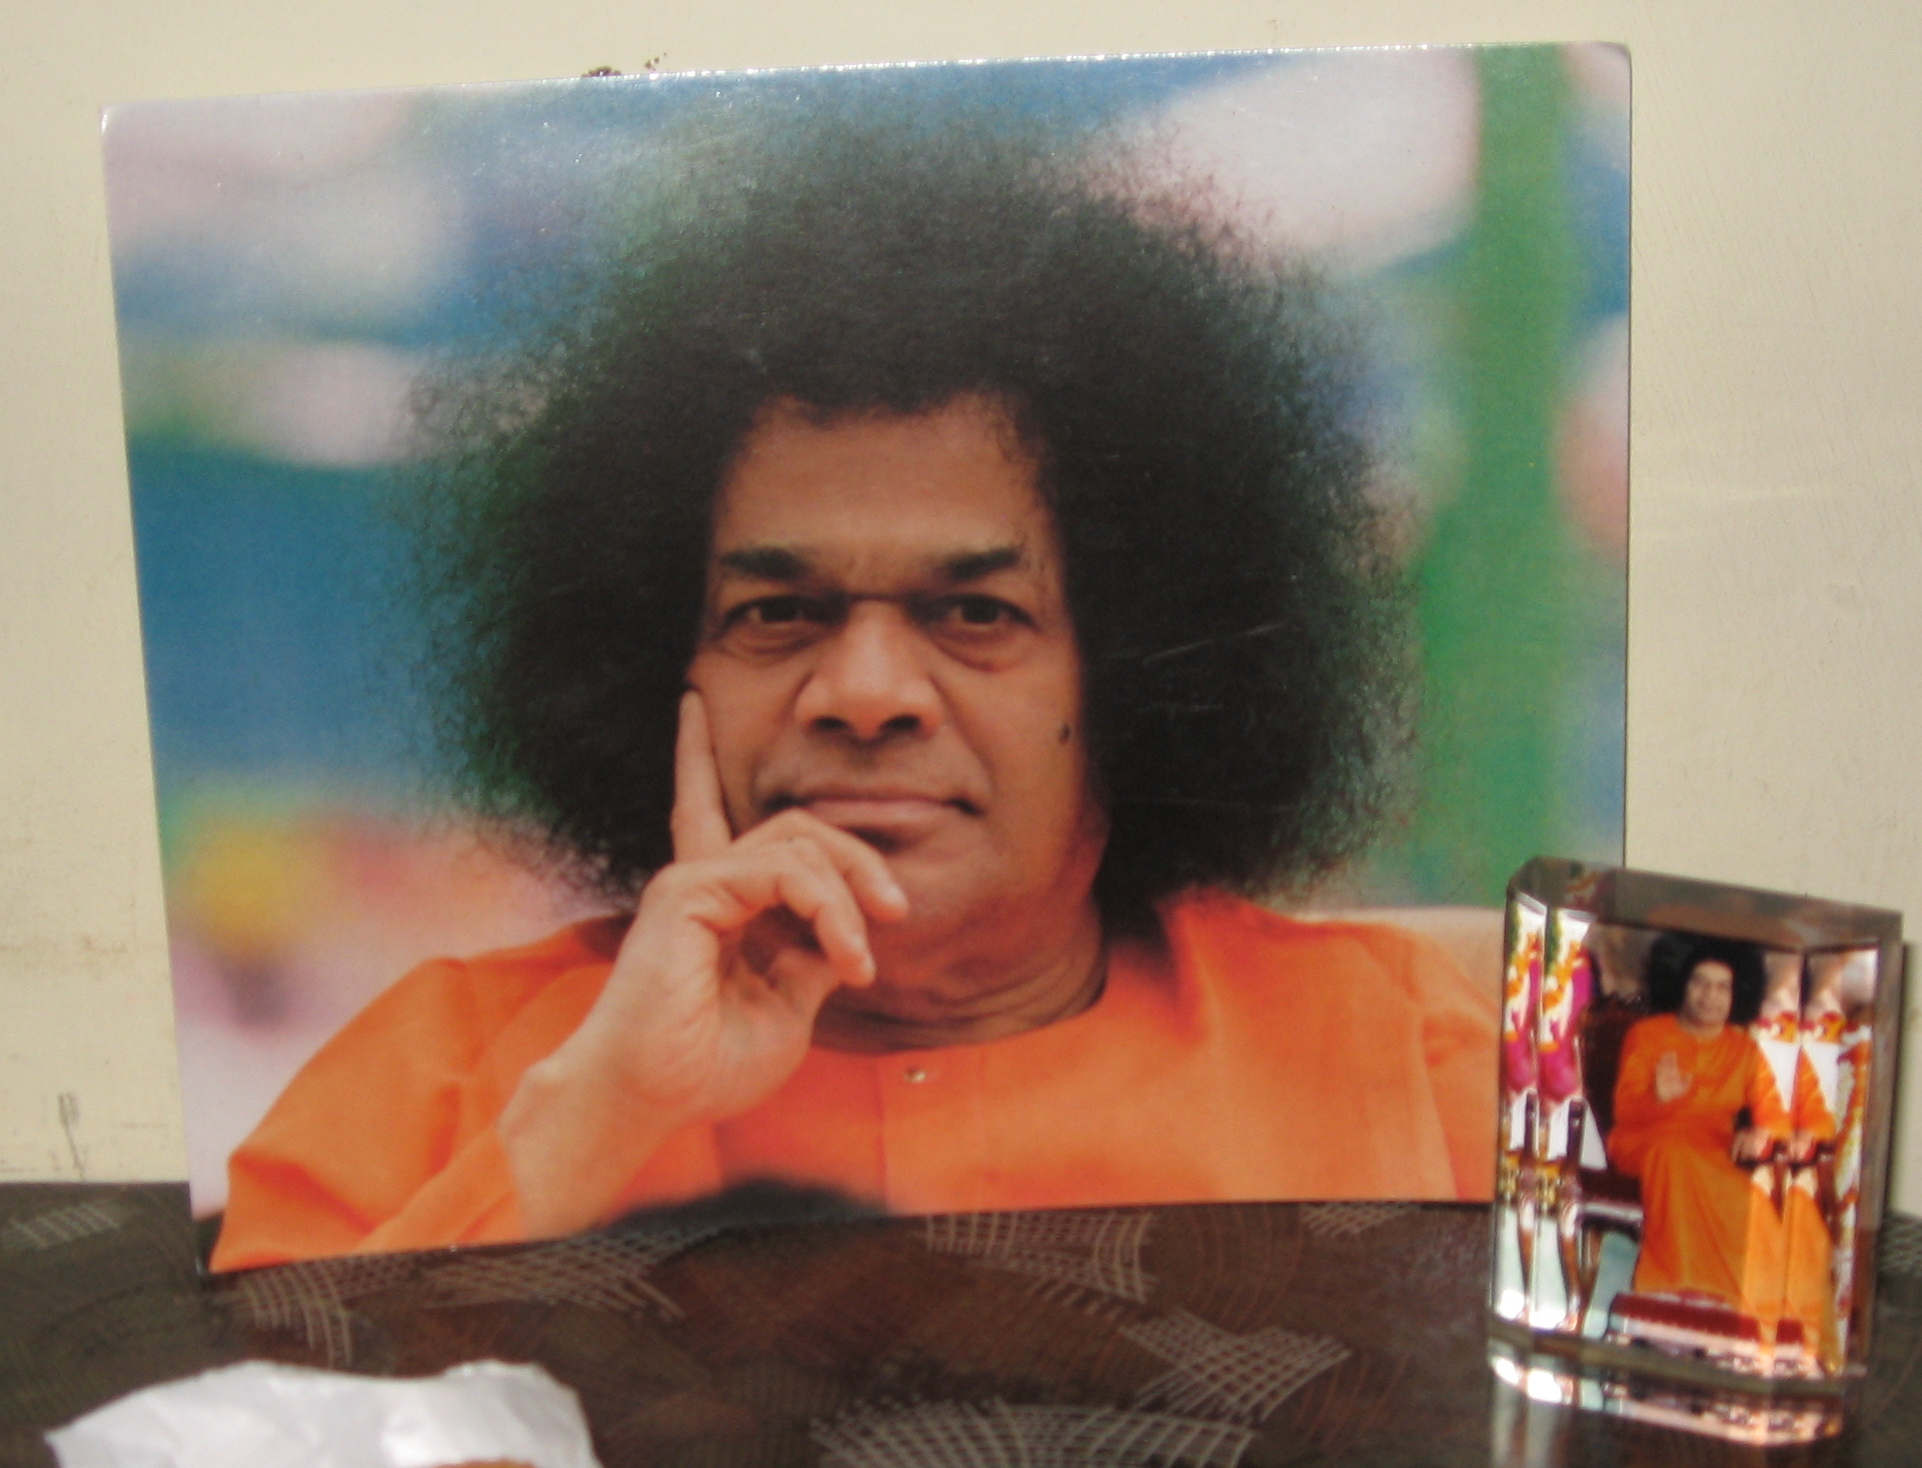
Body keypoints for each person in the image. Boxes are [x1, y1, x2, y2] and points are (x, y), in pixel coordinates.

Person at [211, 113, 1497, 1270]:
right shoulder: (436, 1078)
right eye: (778, 615)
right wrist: (596, 1119)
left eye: (975, 615)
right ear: (656, 667)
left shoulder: (1413, 1059)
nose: (866, 694)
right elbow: (242, 1451)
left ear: (1141, 675)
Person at [1605, 938, 1831, 1359]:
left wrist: (1761, 1132)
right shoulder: (1648, 1035)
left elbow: (1774, 1112)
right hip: (1647, 1141)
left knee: (1747, 1196)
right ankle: (1670, 1298)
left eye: (1722, 987)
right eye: (1700, 983)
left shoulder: (1744, 1049)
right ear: (1682, 985)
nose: (1710, 996)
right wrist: (1658, 1097)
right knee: (1675, 1154)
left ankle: (1726, 1306)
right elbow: (1624, 1110)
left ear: (1736, 994)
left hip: (1711, 1153)